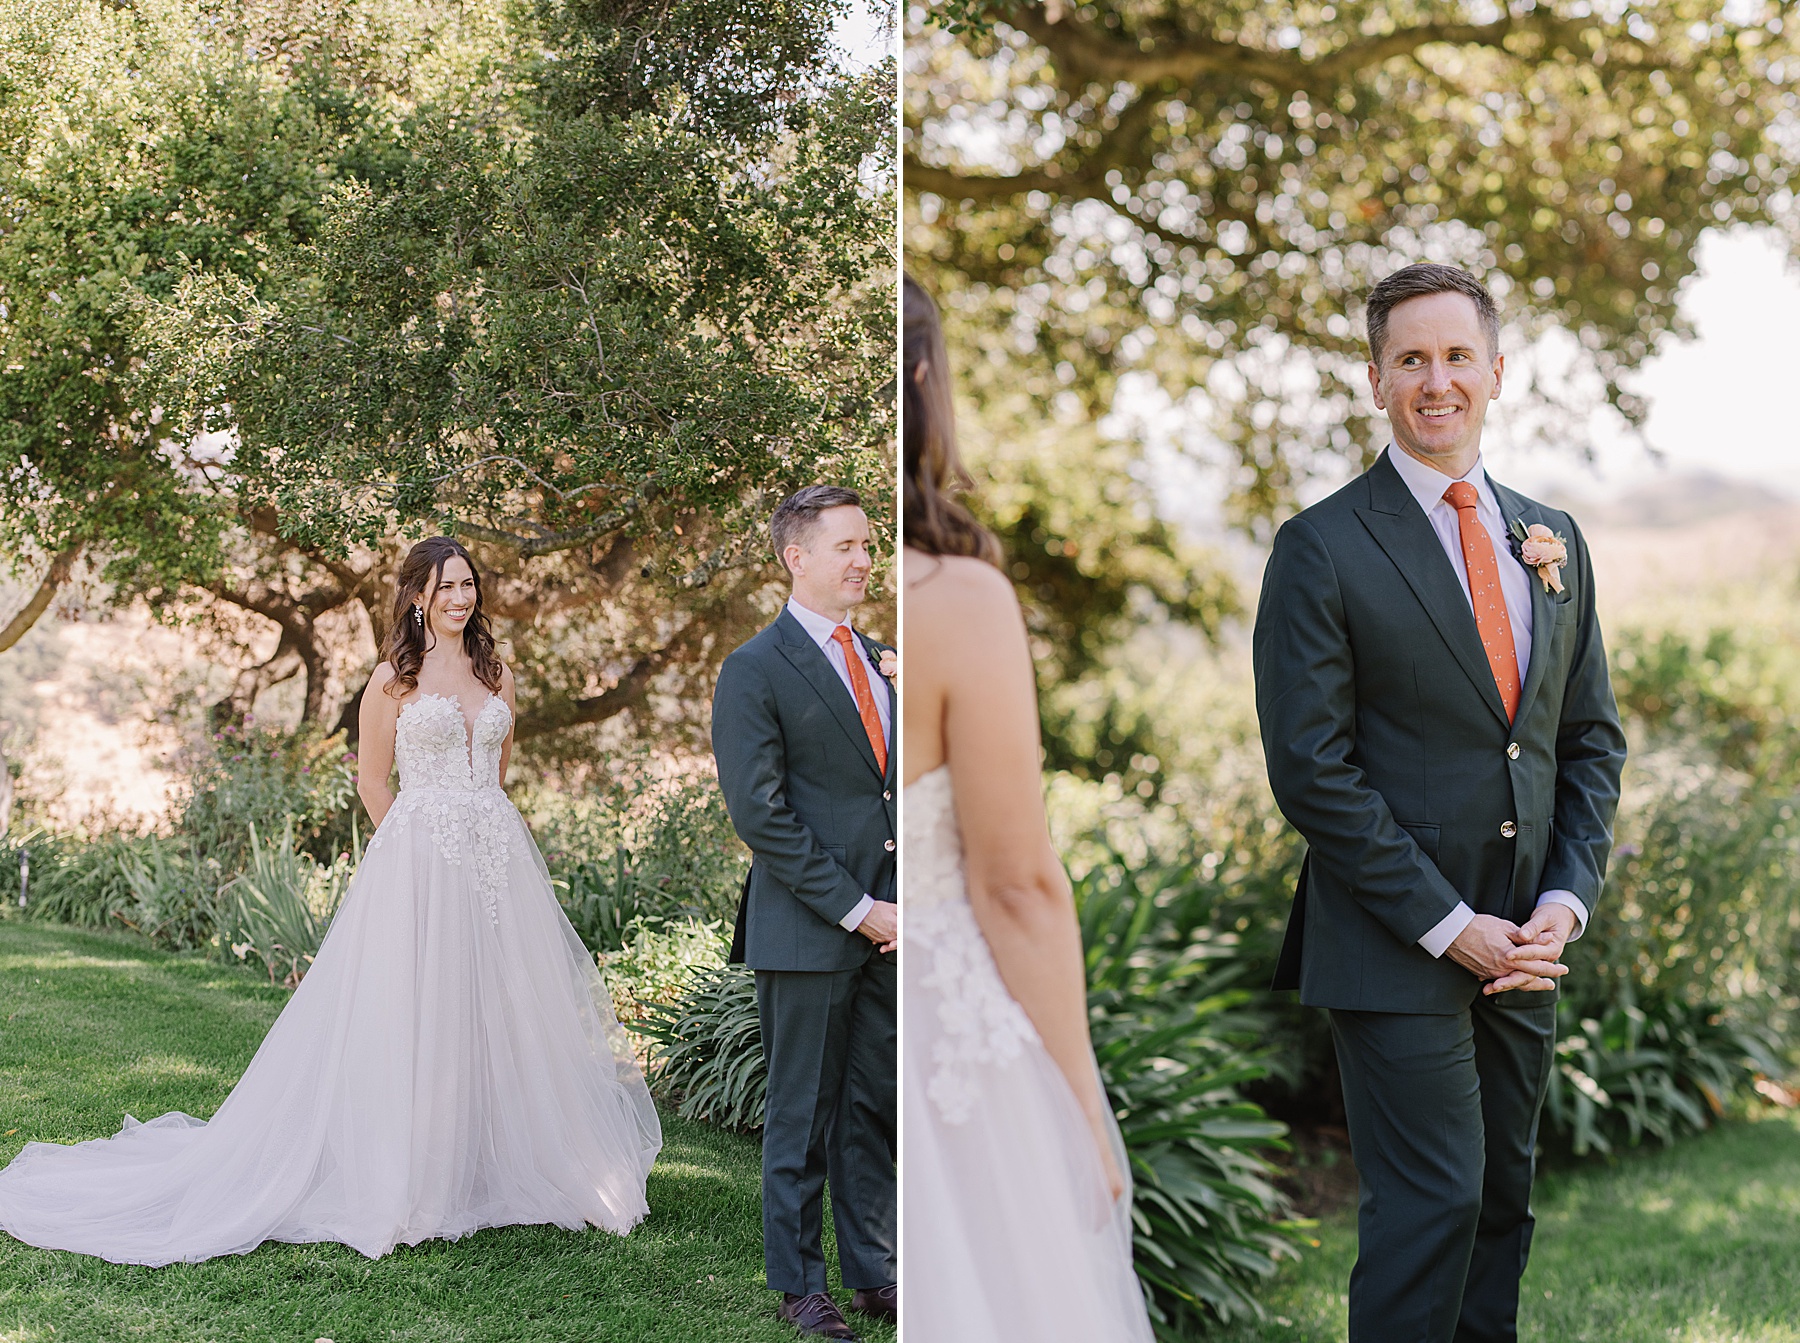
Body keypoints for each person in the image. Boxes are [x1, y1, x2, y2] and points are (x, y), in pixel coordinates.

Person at [0, 536, 661, 1264]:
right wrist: (417, 846)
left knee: (496, 1003)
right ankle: (410, 1172)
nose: (459, 598)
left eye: (468, 585)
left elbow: (499, 768)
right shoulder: (392, 678)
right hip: (419, 855)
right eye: (444, 587)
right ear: (416, 596)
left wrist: (475, 832)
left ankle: (494, 1159)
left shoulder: (497, 672)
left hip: (498, 855)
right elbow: (373, 780)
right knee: (417, 1006)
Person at [1253, 263, 1627, 1341]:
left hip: (1529, 940)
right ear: (1376, 380)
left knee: (1501, 1208)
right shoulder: (1320, 547)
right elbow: (1312, 768)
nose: (1436, 380)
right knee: (1433, 1208)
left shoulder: (1552, 538)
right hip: (1394, 937)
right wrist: (1451, 925)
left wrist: (1566, 895)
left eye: (1457, 355)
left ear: (1497, 371)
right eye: (1410, 358)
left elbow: (1587, 737)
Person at [899, 275, 1154, 1342]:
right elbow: (1018, 884)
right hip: (955, 1055)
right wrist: (1081, 1109)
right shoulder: (956, 600)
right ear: (922, 380)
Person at [710, 486, 897, 1341]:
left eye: (869, 544)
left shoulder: (888, 657)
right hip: (813, 926)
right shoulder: (754, 668)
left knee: (871, 1109)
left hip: (895, 931)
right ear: (797, 557)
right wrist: (860, 909)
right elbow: (761, 814)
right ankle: (799, 1284)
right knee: (801, 1113)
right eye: (849, 545)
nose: (866, 558)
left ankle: (873, 1271)